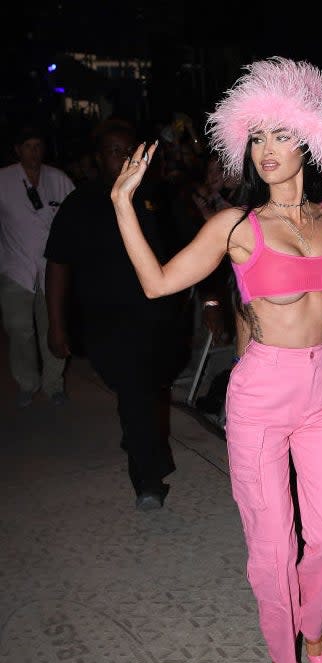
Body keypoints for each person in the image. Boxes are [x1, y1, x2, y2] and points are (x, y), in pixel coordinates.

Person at [110, 57, 322, 663]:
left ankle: (312, 624)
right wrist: (121, 205)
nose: (267, 150)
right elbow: (158, 282)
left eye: (280, 135)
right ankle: (286, 652)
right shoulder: (237, 226)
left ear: (310, 138)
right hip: (263, 395)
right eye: (257, 137)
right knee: (273, 545)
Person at [44, 118, 186, 511]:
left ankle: (141, 440)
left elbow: (187, 249)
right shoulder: (82, 203)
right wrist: (56, 325)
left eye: (129, 149)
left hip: (159, 318)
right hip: (109, 323)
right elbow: (57, 264)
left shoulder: (156, 196)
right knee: (136, 392)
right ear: (97, 158)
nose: (123, 157)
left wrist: (209, 302)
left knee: (148, 390)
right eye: (113, 150)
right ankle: (148, 480)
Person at [0, 125, 75, 407]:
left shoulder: (58, 179)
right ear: (18, 150)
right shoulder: (4, 180)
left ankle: (54, 385)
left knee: (53, 328)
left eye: (38, 146)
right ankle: (26, 383)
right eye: (28, 146)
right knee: (18, 329)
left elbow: (75, 217)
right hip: (14, 268)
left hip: (52, 270)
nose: (34, 152)